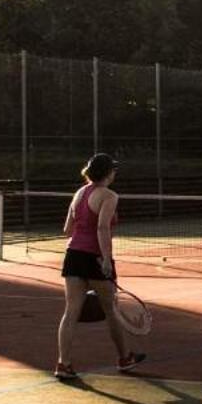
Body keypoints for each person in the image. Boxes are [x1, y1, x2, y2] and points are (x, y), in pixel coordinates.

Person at [55, 152, 145, 379]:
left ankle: (63, 364)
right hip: (94, 256)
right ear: (108, 173)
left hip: (73, 254)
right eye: (113, 170)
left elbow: (67, 230)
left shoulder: (79, 193)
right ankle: (124, 358)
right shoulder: (109, 196)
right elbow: (103, 228)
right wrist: (105, 259)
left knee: (70, 312)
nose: (115, 173)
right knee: (111, 311)